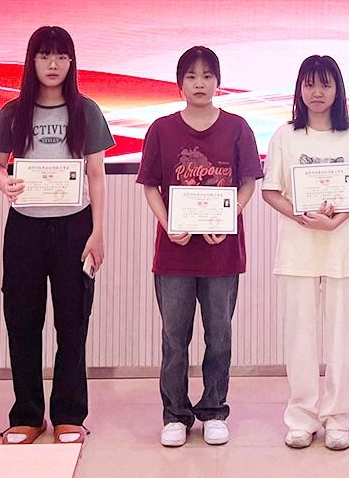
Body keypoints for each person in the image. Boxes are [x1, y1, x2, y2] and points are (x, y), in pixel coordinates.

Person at [0, 26, 110, 446]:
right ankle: (27, 414)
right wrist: (4, 183)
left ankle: (69, 415)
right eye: (44, 56)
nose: (53, 64)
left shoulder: (86, 111)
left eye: (61, 56)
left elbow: (96, 174)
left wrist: (98, 232)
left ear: (71, 62)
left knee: (72, 321)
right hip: (25, 226)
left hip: (75, 226)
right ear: (32, 62)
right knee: (22, 320)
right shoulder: (14, 112)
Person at [137, 46, 263, 448]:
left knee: (219, 336)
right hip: (174, 253)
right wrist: (167, 222)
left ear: (218, 82)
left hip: (222, 253)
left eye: (207, 76)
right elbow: (150, 186)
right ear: (180, 84)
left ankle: (214, 410)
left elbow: (248, 182)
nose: (200, 83)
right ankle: (175, 414)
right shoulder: (161, 129)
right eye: (191, 76)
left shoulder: (237, 127)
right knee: (174, 338)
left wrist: (230, 216)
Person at [261, 55, 349, 451]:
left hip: (343, 247)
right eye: (309, 84)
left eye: (325, 84)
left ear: (337, 89)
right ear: (299, 89)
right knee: (299, 335)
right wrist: (299, 215)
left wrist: (335, 221)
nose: (317, 92)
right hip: (298, 248)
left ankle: (338, 417)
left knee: (343, 335)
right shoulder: (285, 135)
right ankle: (302, 417)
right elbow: (270, 191)